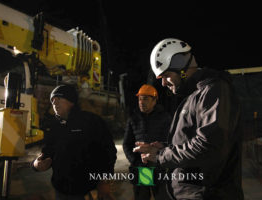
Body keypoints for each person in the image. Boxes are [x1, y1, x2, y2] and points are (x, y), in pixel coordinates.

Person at [133, 38, 244, 200]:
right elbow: (195, 140)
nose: (163, 83)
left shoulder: (215, 90)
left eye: (166, 75)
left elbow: (210, 146)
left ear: (182, 68)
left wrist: (162, 155)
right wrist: (165, 147)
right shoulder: (195, 95)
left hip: (208, 194)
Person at [31, 84, 117, 200]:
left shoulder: (91, 121)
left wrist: (104, 180)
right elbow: (46, 153)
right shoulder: (54, 127)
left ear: (71, 101)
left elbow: (108, 152)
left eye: (58, 98)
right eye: (52, 100)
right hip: (61, 190)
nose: (54, 103)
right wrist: (36, 164)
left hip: (88, 189)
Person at [123, 84, 172, 200]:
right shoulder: (133, 119)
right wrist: (135, 160)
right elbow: (126, 144)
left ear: (154, 100)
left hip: (159, 166)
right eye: (140, 99)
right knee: (142, 197)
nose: (141, 102)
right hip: (142, 168)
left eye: (145, 98)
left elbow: (171, 141)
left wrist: (160, 152)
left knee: (162, 197)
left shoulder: (165, 118)